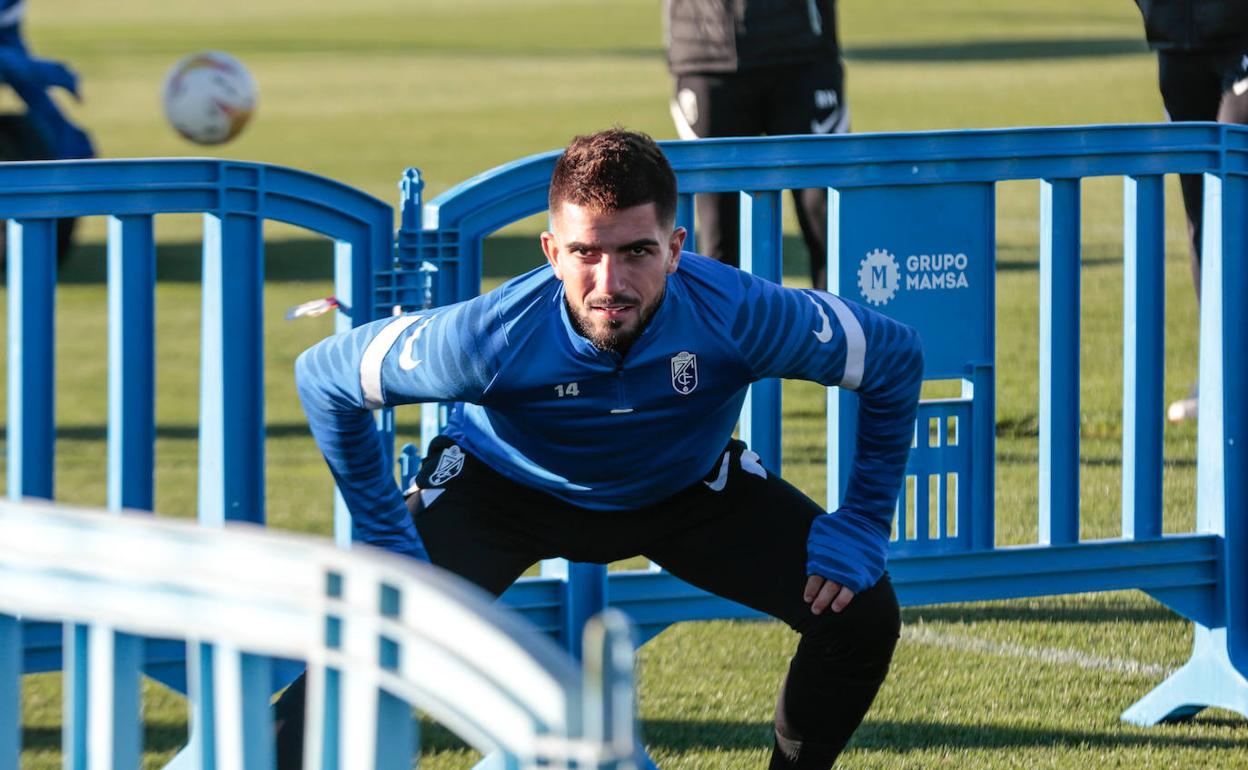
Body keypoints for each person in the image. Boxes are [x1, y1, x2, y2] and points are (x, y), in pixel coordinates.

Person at [283, 128, 923, 769]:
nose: (608, 282)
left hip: (684, 490)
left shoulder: (738, 312)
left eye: (637, 251)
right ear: (551, 251)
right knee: (365, 639)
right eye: (585, 252)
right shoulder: (489, 337)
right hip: (502, 492)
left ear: (675, 248)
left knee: (859, 613)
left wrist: (866, 517)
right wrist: (384, 528)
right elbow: (325, 376)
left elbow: (892, 357)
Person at [665, 0, 847, 290]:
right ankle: (724, 335)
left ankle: (839, 332)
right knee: (719, 242)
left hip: (802, 53)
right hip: (705, 54)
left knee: (831, 227)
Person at [1131, 1, 1248, 421]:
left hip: (1240, 38)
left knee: (1234, 193)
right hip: (1175, 40)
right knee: (1201, 216)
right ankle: (1217, 373)